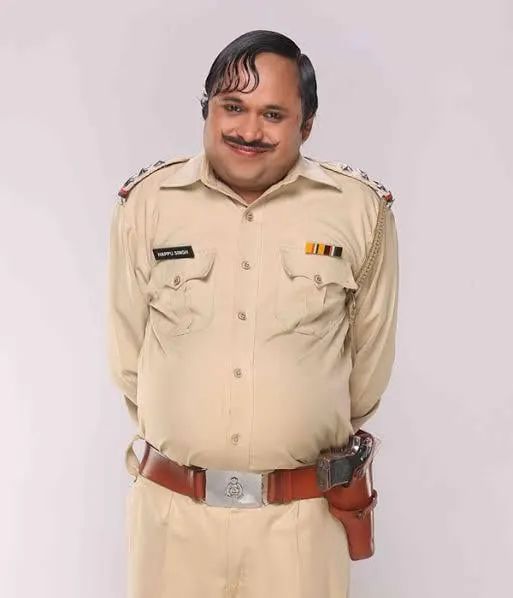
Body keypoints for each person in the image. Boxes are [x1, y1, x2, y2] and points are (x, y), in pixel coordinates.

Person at [107, 29, 399, 598]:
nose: (248, 129)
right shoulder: (147, 203)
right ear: (207, 109)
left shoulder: (359, 212)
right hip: (172, 520)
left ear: (305, 126)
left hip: (302, 524)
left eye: (273, 114)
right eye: (233, 106)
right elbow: (127, 356)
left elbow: (367, 369)